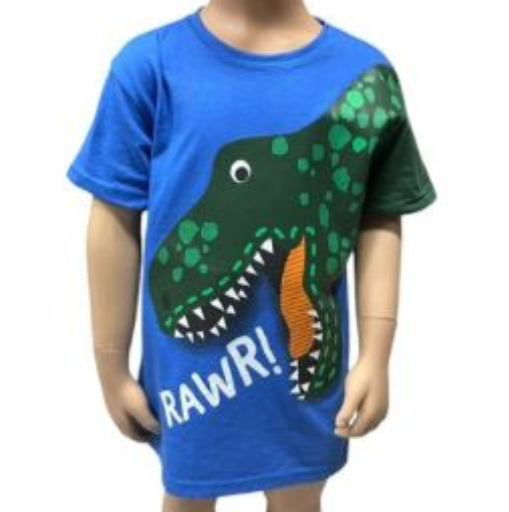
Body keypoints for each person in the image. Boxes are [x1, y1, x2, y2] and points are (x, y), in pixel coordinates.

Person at [66, 0, 437, 510]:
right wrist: (110, 365)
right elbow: (114, 218)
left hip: (306, 382)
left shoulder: (362, 72)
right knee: (188, 495)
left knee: (299, 496)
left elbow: (378, 217)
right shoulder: (150, 66)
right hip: (191, 386)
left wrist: (376, 355)